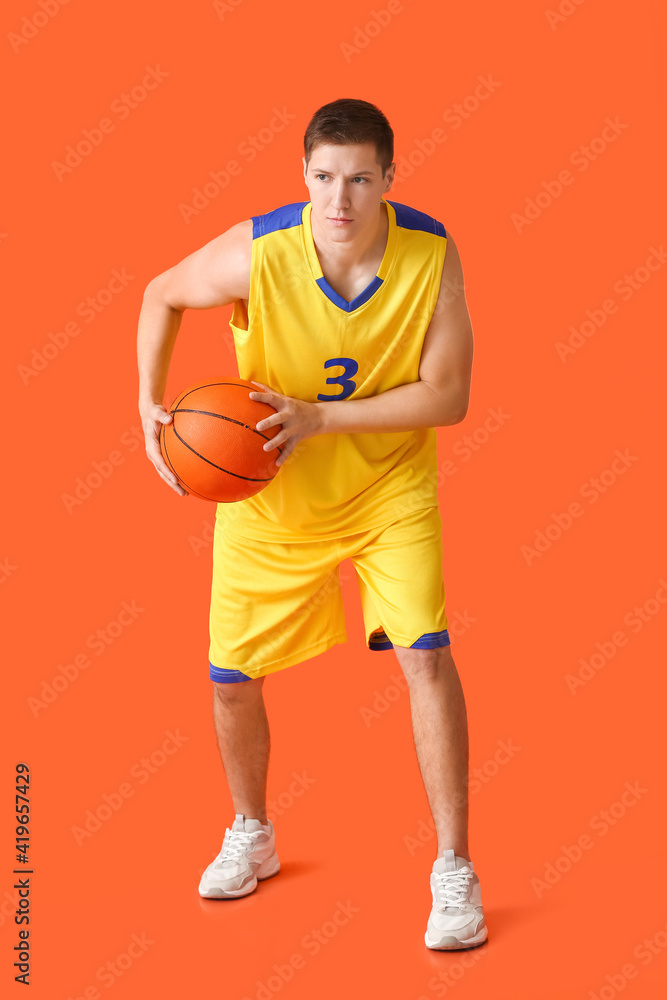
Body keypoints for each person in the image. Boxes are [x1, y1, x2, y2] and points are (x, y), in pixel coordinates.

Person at [136, 98, 487, 951]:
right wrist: (145, 406)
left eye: (360, 179)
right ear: (304, 178)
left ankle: (454, 870)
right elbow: (160, 294)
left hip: (386, 490)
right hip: (270, 497)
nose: (340, 199)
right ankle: (251, 832)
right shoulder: (260, 253)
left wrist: (320, 419)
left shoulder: (431, 256)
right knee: (229, 675)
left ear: (388, 181)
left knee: (426, 657)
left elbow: (449, 397)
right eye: (325, 178)